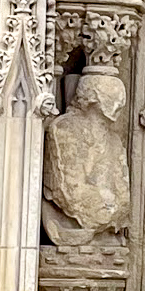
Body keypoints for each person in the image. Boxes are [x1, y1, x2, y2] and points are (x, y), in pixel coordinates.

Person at [42, 73, 130, 245]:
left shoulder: (114, 140)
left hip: (105, 221)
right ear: (92, 98)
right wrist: (104, 207)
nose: (119, 102)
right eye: (112, 95)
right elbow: (69, 188)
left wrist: (115, 208)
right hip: (74, 219)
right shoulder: (65, 129)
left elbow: (122, 189)